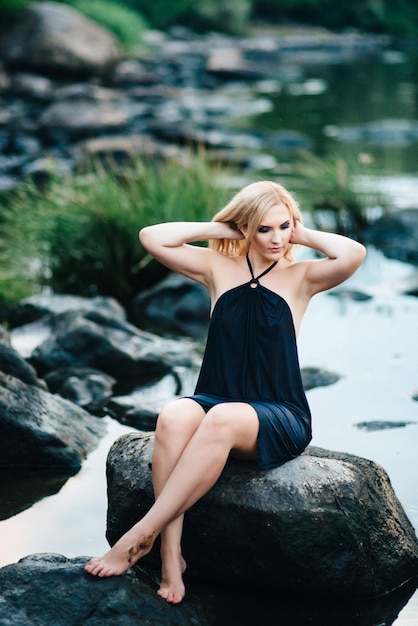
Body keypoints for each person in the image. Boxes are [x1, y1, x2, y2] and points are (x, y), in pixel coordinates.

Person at [85, 180, 366, 603]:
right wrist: (226, 229)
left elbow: (353, 253)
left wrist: (297, 231)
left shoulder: (302, 276)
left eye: (282, 227)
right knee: (174, 415)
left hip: (277, 411)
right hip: (215, 396)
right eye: (263, 229)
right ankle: (171, 557)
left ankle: (141, 534)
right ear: (245, 227)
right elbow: (152, 237)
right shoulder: (217, 267)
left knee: (220, 419)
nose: (275, 239)